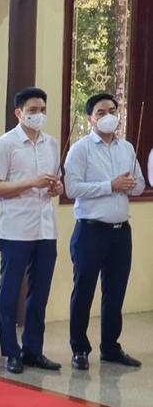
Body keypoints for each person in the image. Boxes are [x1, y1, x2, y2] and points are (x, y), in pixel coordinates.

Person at [64, 93, 145, 370]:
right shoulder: (81, 149)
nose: (108, 115)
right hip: (90, 232)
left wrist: (129, 185)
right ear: (90, 119)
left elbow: (138, 186)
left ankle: (110, 347)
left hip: (121, 233)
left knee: (115, 291)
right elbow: (72, 188)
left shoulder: (127, 148)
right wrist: (109, 185)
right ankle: (79, 349)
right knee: (84, 290)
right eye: (101, 112)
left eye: (112, 110)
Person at [0, 87, 63, 374]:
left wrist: (57, 187)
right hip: (16, 229)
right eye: (32, 110)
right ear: (18, 113)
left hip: (46, 229)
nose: (39, 115)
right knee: (9, 293)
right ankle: (11, 352)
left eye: (42, 110)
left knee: (39, 293)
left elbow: (54, 183)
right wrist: (31, 182)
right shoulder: (5, 144)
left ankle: (33, 350)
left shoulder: (52, 144)